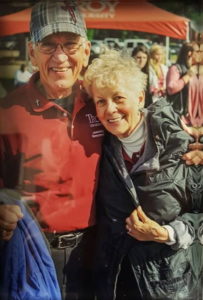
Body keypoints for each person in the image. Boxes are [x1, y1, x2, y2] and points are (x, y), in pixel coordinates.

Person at [0, 1, 104, 300]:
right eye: (48, 45)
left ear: (86, 51)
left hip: (95, 251)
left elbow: (142, 141)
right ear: (31, 52)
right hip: (32, 255)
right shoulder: (8, 111)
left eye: (70, 44)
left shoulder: (103, 103)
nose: (60, 57)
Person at [83, 49, 199, 300]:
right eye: (101, 101)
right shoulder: (100, 148)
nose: (110, 109)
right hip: (113, 283)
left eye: (118, 98)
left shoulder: (181, 146)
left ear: (140, 97)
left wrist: (167, 234)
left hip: (168, 285)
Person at [166, 42, 196, 117]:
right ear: (189, 54)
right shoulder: (176, 69)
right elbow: (171, 88)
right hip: (179, 114)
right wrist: (185, 78)